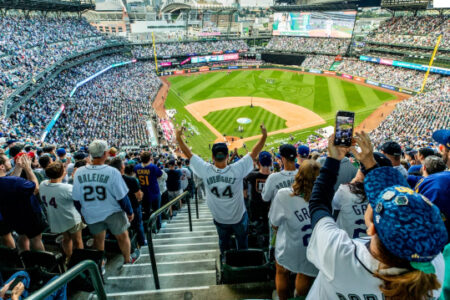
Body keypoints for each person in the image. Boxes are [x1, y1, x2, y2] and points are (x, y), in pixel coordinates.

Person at [306, 132, 446, 299]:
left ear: (371, 227)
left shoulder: (339, 256)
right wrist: (369, 163)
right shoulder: (433, 267)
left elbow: (318, 203)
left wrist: (334, 158)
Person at [176, 124, 267, 256]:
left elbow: (189, 155)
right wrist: (264, 136)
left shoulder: (205, 170)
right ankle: (242, 260)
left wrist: (178, 137)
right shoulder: (237, 169)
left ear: (212, 157)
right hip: (238, 217)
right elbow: (254, 153)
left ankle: (225, 259)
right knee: (242, 242)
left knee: (223, 242)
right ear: (227, 156)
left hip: (219, 218)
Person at [72, 140, 136, 269]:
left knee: (98, 240)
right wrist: (129, 212)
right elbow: (122, 197)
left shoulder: (79, 172)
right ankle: (127, 260)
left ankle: (100, 265)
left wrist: (82, 214)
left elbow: (76, 199)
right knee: (123, 237)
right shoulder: (113, 172)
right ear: (106, 153)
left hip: (91, 212)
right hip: (113, 211)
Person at [269, 160, 320, 299]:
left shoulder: (284, 195)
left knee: (281, 271)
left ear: (298, 175)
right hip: (312, 248)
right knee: (305, 273)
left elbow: (274, 223)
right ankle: (299, 297)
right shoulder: (325, 198)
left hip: (289, 246)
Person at [332, 152, 392, 238]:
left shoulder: (344, 191)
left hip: (349, 246)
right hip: (374, 247)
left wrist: (354, 181)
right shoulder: (387, 198)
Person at [0, 153, 45, 251]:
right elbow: (35, 188)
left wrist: (18, 167)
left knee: (22, 236)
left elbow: (11, 181)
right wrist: (28, 168)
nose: (10, 161)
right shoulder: (14, 181)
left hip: (12, 214)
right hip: (29, 213)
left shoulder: (8, 180)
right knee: (36, 238)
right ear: (2, 166)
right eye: (7, 160)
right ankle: (41, 264)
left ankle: (25, 260)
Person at [39, 161, 84, 259]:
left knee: (66, 239)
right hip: (71, 219)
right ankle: (79, 262)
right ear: (63, 173)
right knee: (78, 241)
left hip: (56, 219)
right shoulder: (67, 188)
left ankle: (69, 258)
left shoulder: (42, 184)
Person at [111, 158, 147, 248]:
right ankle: (141, 242)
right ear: (122, 167)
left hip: (117, 209)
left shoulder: (110, 181)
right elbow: (139, 196)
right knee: (138, 225)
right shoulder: (131, 180)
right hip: (133, 207)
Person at [244, 151, 272, 231]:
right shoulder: (274, 177)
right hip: (269, 209)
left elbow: (242, 181)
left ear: (259, 162)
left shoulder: (251, 175)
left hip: (255, 210)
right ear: (270, 163)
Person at [134, 152, 162, 227]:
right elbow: (160, 175)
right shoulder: (153, 167)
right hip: (154, 192)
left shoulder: (136, 167)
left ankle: (149, 226)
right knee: (157, 211)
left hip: (144, 192)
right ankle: (158, 225)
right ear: (150, 159)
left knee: (147, 211)